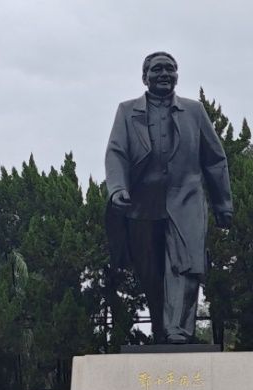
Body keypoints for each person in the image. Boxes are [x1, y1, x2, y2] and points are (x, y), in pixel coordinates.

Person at [105, 51, 233, 344]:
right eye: (157, 69)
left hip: (185, 198)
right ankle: (161, 328)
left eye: (170, 69)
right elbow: (116, 153)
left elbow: (215, 159)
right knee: (150, 272)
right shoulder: (127, 111)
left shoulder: (194, 111)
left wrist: (223, 204)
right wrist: (118, 188)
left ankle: (179, 329)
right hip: (141, 202)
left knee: (185, 263)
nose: (164, 74)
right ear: (144, 77)